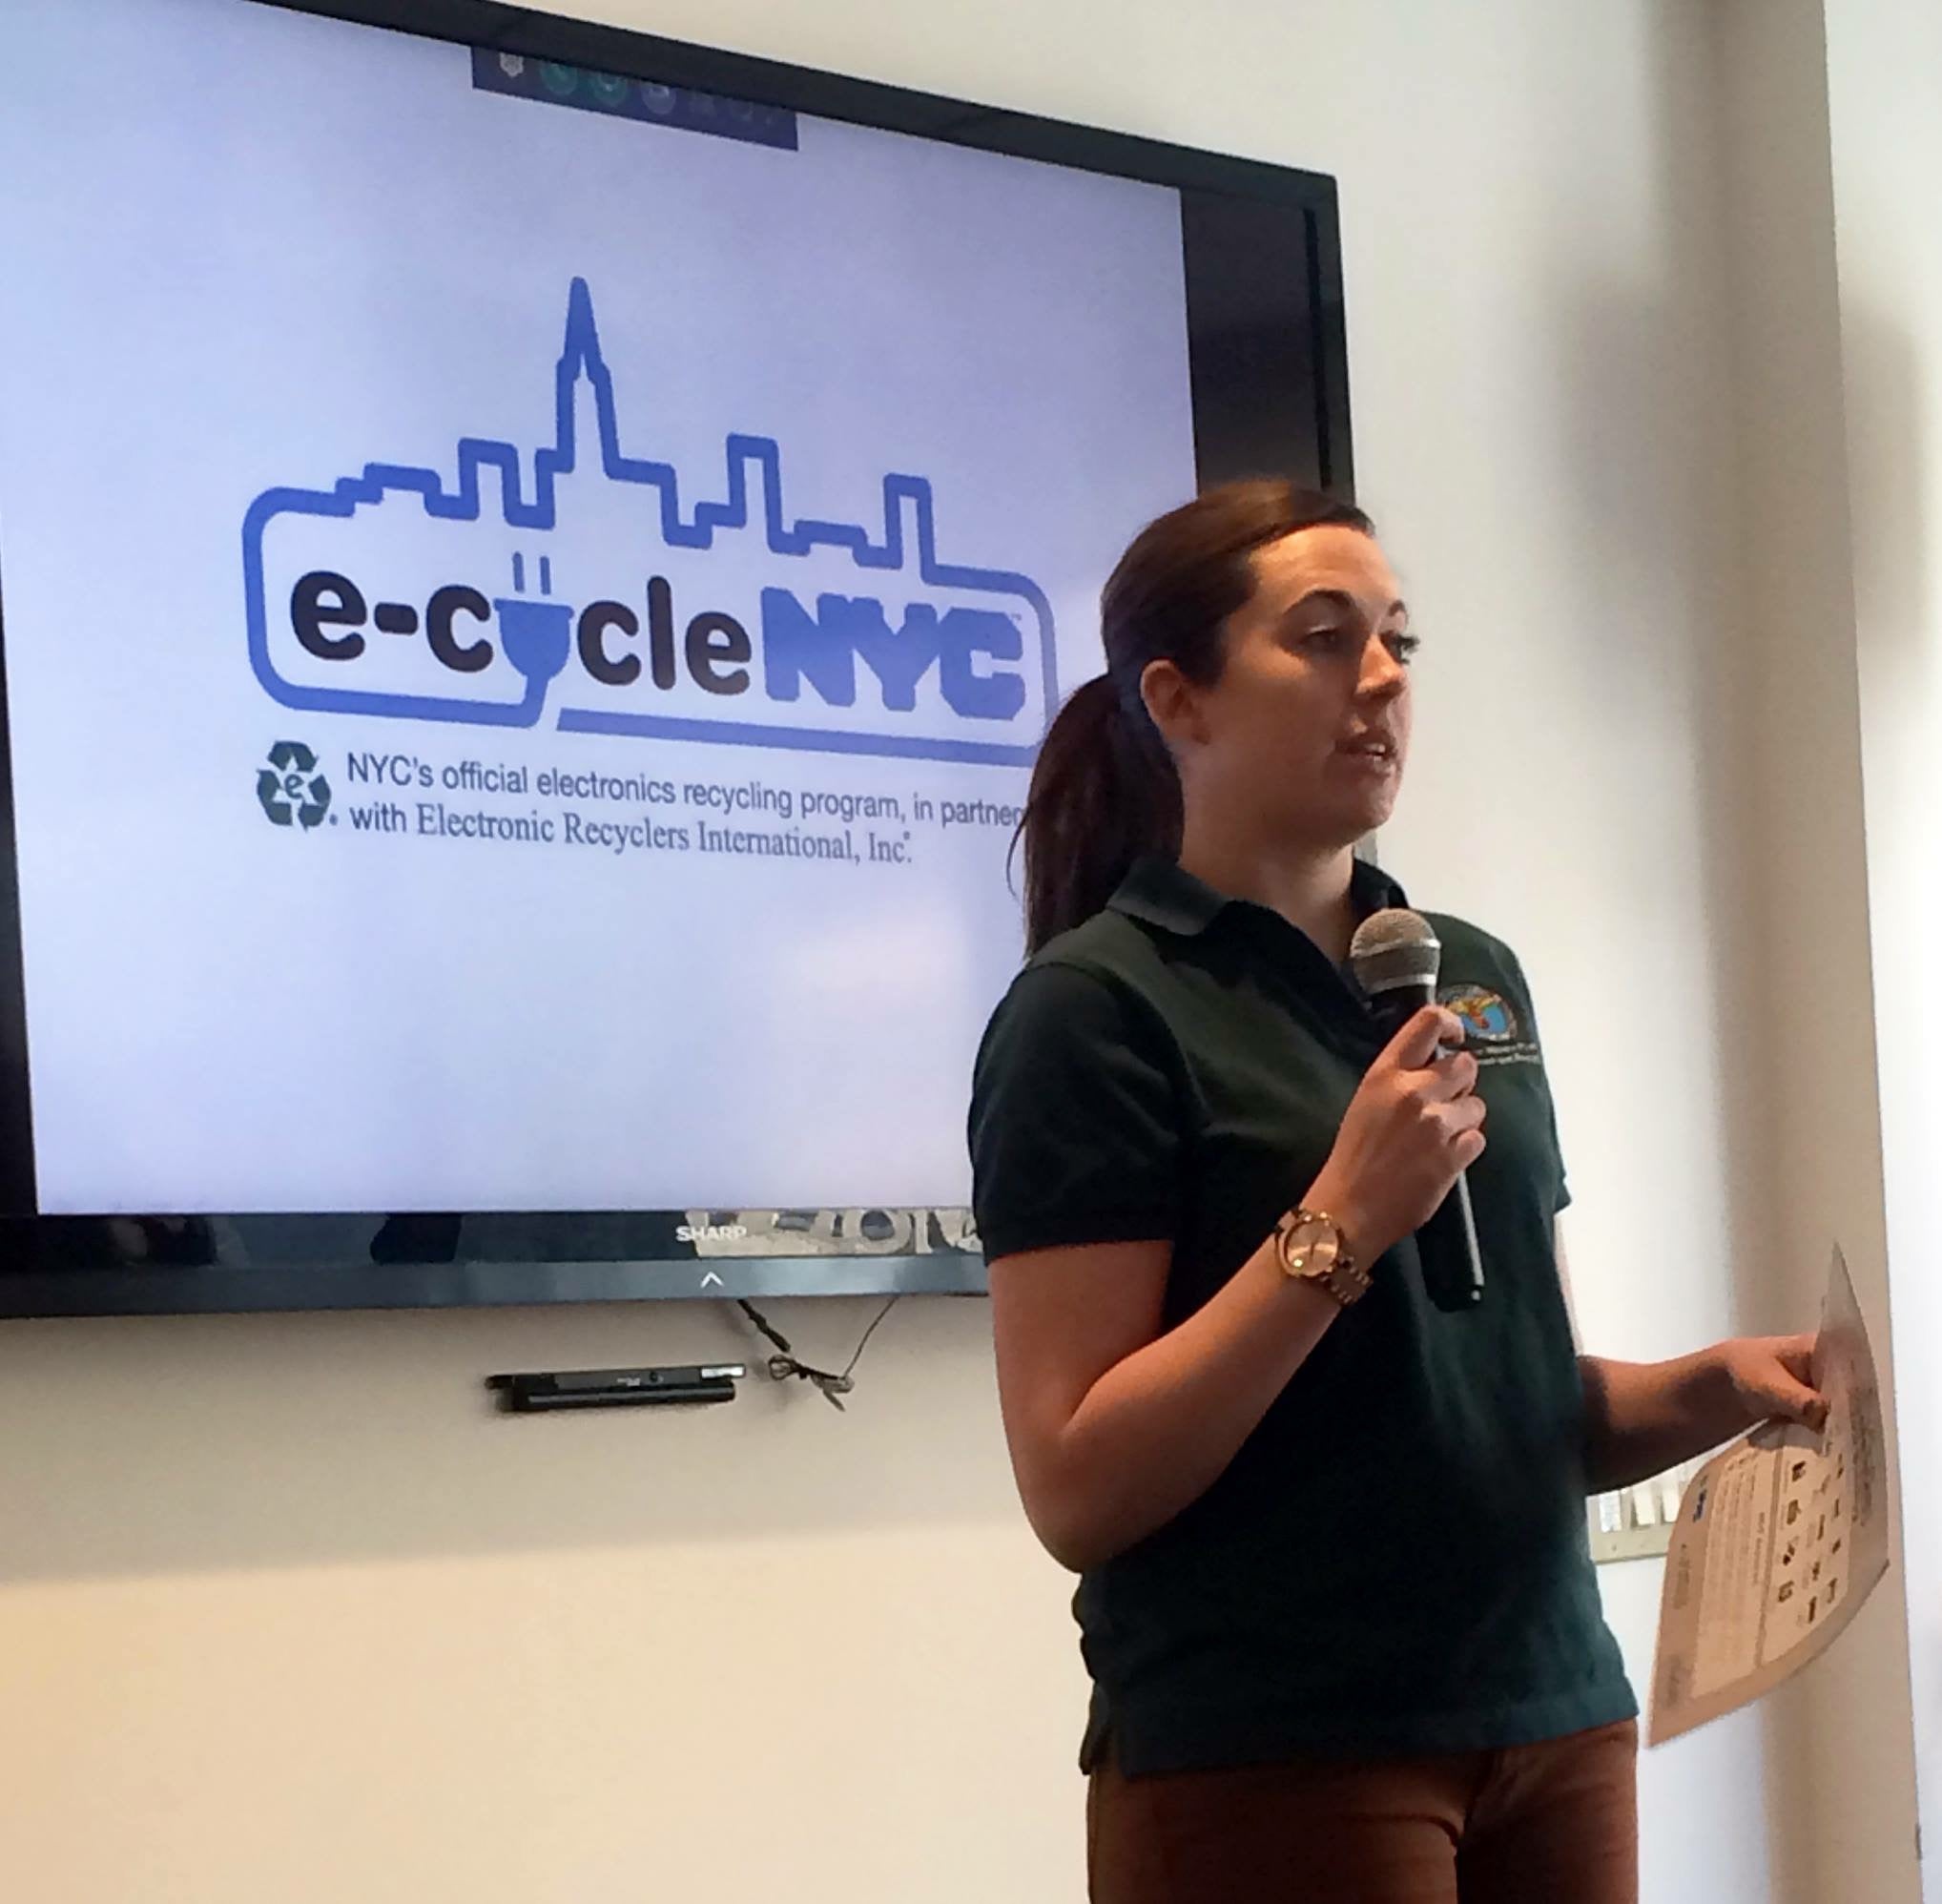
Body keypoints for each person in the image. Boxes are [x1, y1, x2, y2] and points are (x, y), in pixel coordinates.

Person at [966, 481, 1824, 1904]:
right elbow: (1079, 1481)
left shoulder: (1465, 971)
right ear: (1178, 700)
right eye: (1322, 638)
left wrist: (1726, 1382)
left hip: (1554, 1714)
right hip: (1279, 1745)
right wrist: (1342, 1224)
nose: (1380, 681)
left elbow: (1514, 1397)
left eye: (1398, 642)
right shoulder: (1095, 1009)